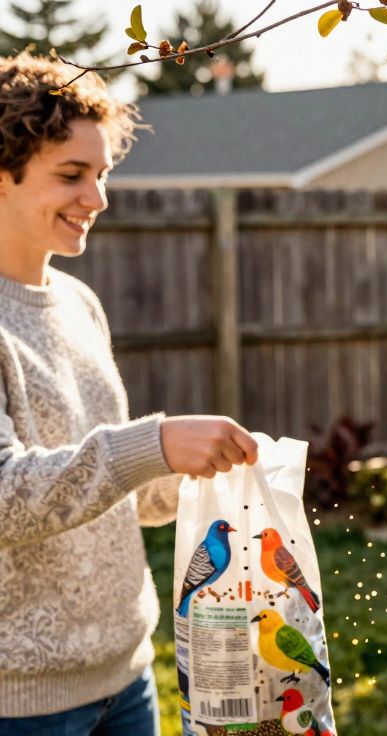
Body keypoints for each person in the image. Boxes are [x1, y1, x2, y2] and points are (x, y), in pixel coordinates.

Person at [0, 53, 259, 734]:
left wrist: (189, 475)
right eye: (72, 175)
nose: (99, 198)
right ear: (2, 175)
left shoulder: (79, 305)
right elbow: (5, 499)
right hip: (23, 706)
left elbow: (115, 494)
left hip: (129, 677)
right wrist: (154, 442)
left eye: (102, 173)